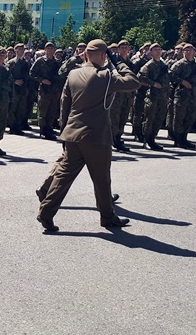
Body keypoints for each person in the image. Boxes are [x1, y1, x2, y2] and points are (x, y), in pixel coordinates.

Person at [36, 39, 141, 233]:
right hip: (96, 136)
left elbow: (64, 105)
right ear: (103, 56)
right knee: (101, 179)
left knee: (63, 176)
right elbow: (133, 82)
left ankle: (46, 212)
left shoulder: (73, 74)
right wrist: (118, 61)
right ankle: (108, 217)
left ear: (85, 55)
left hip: (73, 133)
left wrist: (64, 132)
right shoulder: (106, 76)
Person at [137, 43, 169, 150]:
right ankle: (146, 140)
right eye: (155, 50)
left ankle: (153, 138)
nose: (158, 51)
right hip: (152, 96)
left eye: (159, 49)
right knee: (149, 118)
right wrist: (153, 83)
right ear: (150, 52)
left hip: (163, 96)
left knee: (159, 118)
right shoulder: (148, 65)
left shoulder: (164, 65)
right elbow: (141, 77)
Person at [169, 43, 196, 149]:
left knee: (189, 117)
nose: (188, 52)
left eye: (190, 50)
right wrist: (182, 81)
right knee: (179, 117)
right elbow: (171, 74)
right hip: (181, 94)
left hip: (192, 94)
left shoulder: (195, 65)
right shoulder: (179, 64)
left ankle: (184, 138)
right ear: (183, 52)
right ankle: (178, 139)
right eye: (186, 50)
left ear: (194, 52)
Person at [30, 42, 62, 140]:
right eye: (48, 48)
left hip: (54, 90)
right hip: (44, 90)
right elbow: (32, 73)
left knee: (52, 111)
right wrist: (42, 80)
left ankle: (49, 129)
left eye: (52, 48)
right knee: (43, 111)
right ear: (45, 50)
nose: (50, 50)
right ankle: (43, 130)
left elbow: (61, 75)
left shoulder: (57, 62)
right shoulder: (40, 61)